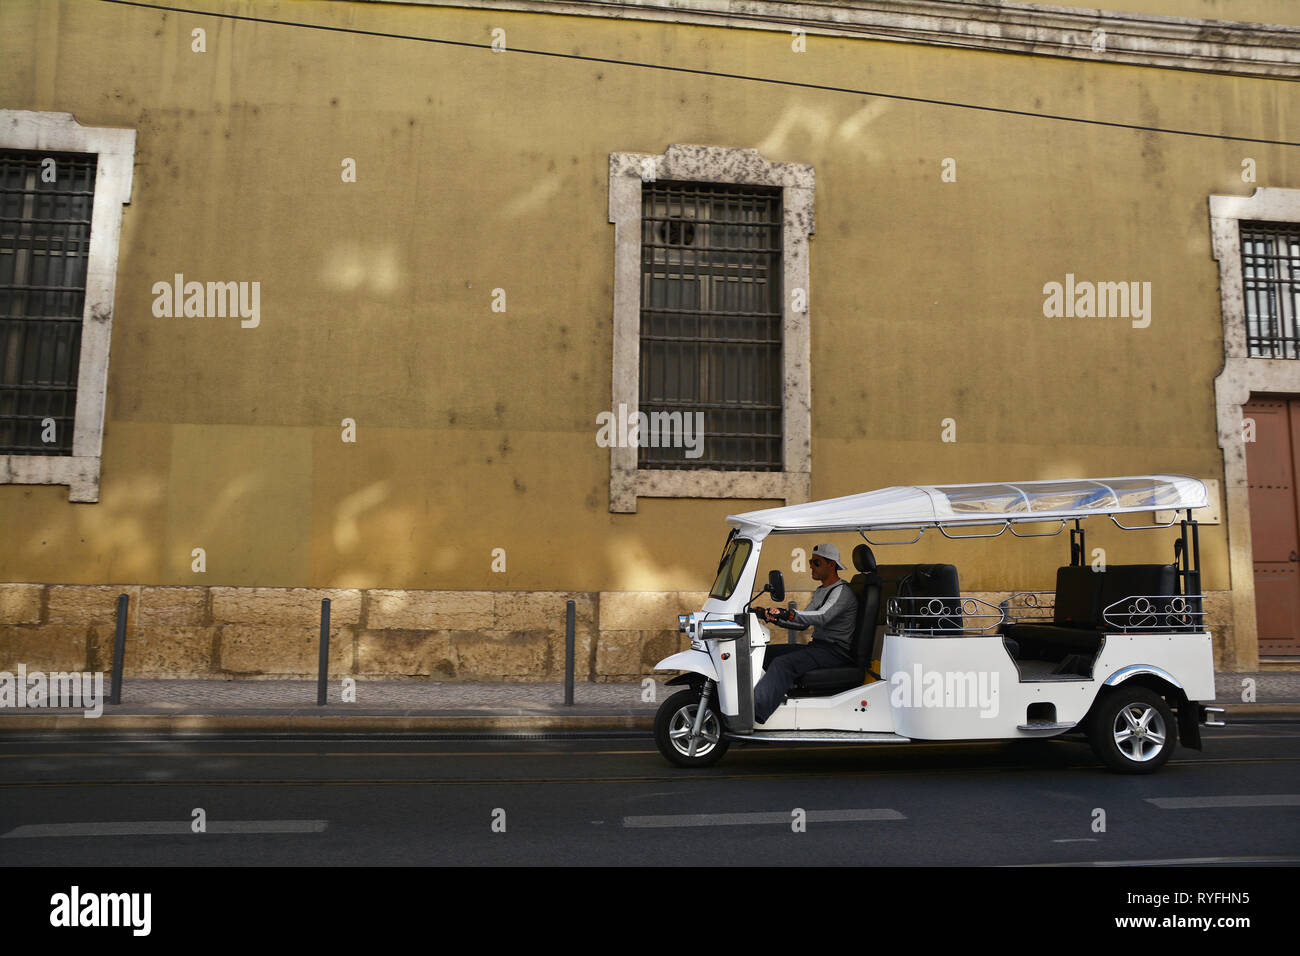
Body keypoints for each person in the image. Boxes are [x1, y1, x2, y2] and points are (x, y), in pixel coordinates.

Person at [752, 542, 858, 724]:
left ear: (831, 565)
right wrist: (772, 617)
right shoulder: (822, 590)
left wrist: (789, 613)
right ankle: (770, 695)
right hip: (818, 648)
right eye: (811, 561)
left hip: (835, 652)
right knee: (764, 653)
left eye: (816, 562)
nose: (810, 566)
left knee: (782, 663)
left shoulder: (842, 592)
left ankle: (754, 714)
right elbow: (803, 623)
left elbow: (822, 616)